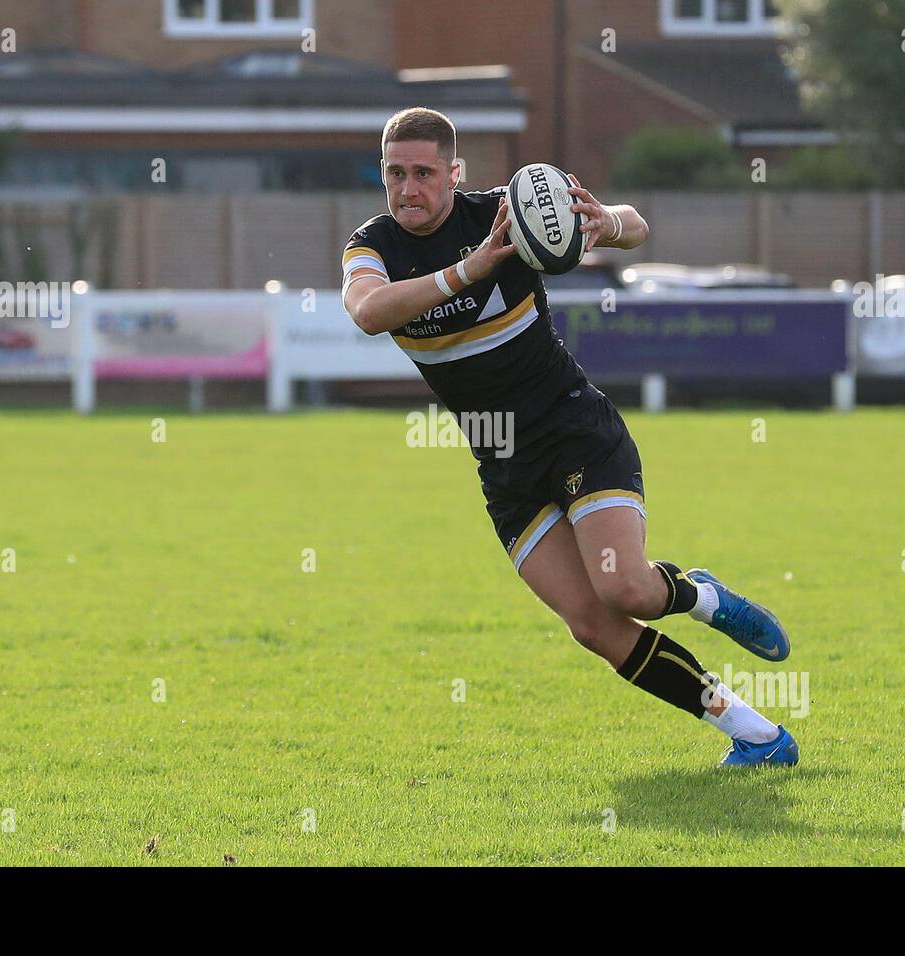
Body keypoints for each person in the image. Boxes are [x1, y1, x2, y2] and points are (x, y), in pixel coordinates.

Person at [341, 107, 798, 767]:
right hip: (502, 463)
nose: (408, 189)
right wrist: (471, 270)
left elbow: (635, 225)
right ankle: (757, 735)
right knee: (592, 624)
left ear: (453, 174)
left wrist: (607, 224)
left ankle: (703, 596)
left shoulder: (506, 212)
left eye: (423, 173)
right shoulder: (373, 245)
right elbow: (367, 311)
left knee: (627, 591)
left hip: (572, 429)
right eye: (394, 174)